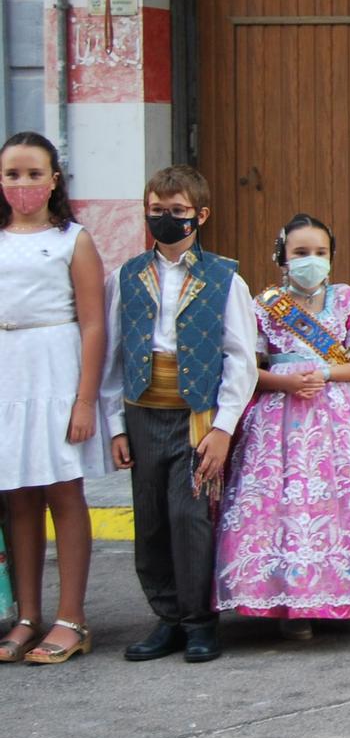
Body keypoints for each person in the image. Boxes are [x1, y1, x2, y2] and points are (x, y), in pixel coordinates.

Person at [216, 214, 350, 635]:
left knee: (340, 508)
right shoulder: (264, 306)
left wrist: (326, 375)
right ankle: (289, 602)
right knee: (287, 508)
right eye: (301, 253)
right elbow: (248, 369)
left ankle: (349, 597)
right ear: (282, 257)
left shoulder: (346, 300)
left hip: (339, 420)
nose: (311, 261)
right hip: (279, 422)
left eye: (320, 253)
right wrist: (285, 382)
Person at [103, 165, 259, 664]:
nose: (165, 219)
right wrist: (115, 426)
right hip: (143, 413)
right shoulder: (124, 278)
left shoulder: (224, 277)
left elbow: (241, 356)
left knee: (189, 516)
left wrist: (222, 427)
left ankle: (199, 622)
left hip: (196, 416)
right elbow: (114, 356)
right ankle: (166, 618)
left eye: (177, 212)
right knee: (149, 521)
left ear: (200, 215)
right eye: (157, 211)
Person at [0, 132, 112, 665]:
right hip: (7, 374)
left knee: (62, 493)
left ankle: (72, 617)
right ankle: (27, 616)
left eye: (33, 174)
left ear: (54, 179)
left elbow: (93, 325)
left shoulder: (73, 239)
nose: (23, 185)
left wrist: (84, 400)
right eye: (12, 175)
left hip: (56, 371)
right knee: (16, 497)